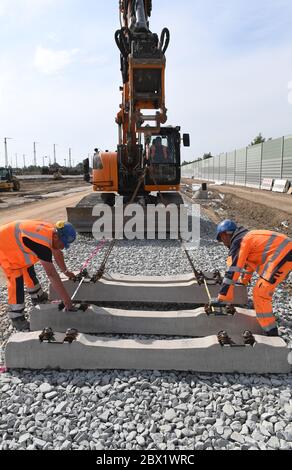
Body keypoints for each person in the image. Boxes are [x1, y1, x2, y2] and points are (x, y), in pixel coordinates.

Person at [210, 220, 292, 336]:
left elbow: (233, 270)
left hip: (283, 254)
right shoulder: (245, 237)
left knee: (260, 292)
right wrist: (242, 282)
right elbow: (248, 265)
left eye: (221, 239)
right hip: (284, 251)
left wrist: (222, 297)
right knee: (260, 290)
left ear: (225, 234)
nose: (223, 243)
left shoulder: (240, 241)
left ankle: (271, 331)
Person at [0, 220, 77, 331]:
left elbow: (57, 253)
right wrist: (67, 301)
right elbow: (52, 275)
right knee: (16, 277)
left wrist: (66, 271)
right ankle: (16, 317)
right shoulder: (42, 245)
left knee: (28, 269)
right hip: (4, 245)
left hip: (15, 242)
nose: (63, 247)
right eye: (63, 244)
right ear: (56, 237)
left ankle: (38, 298)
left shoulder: (53, 232)